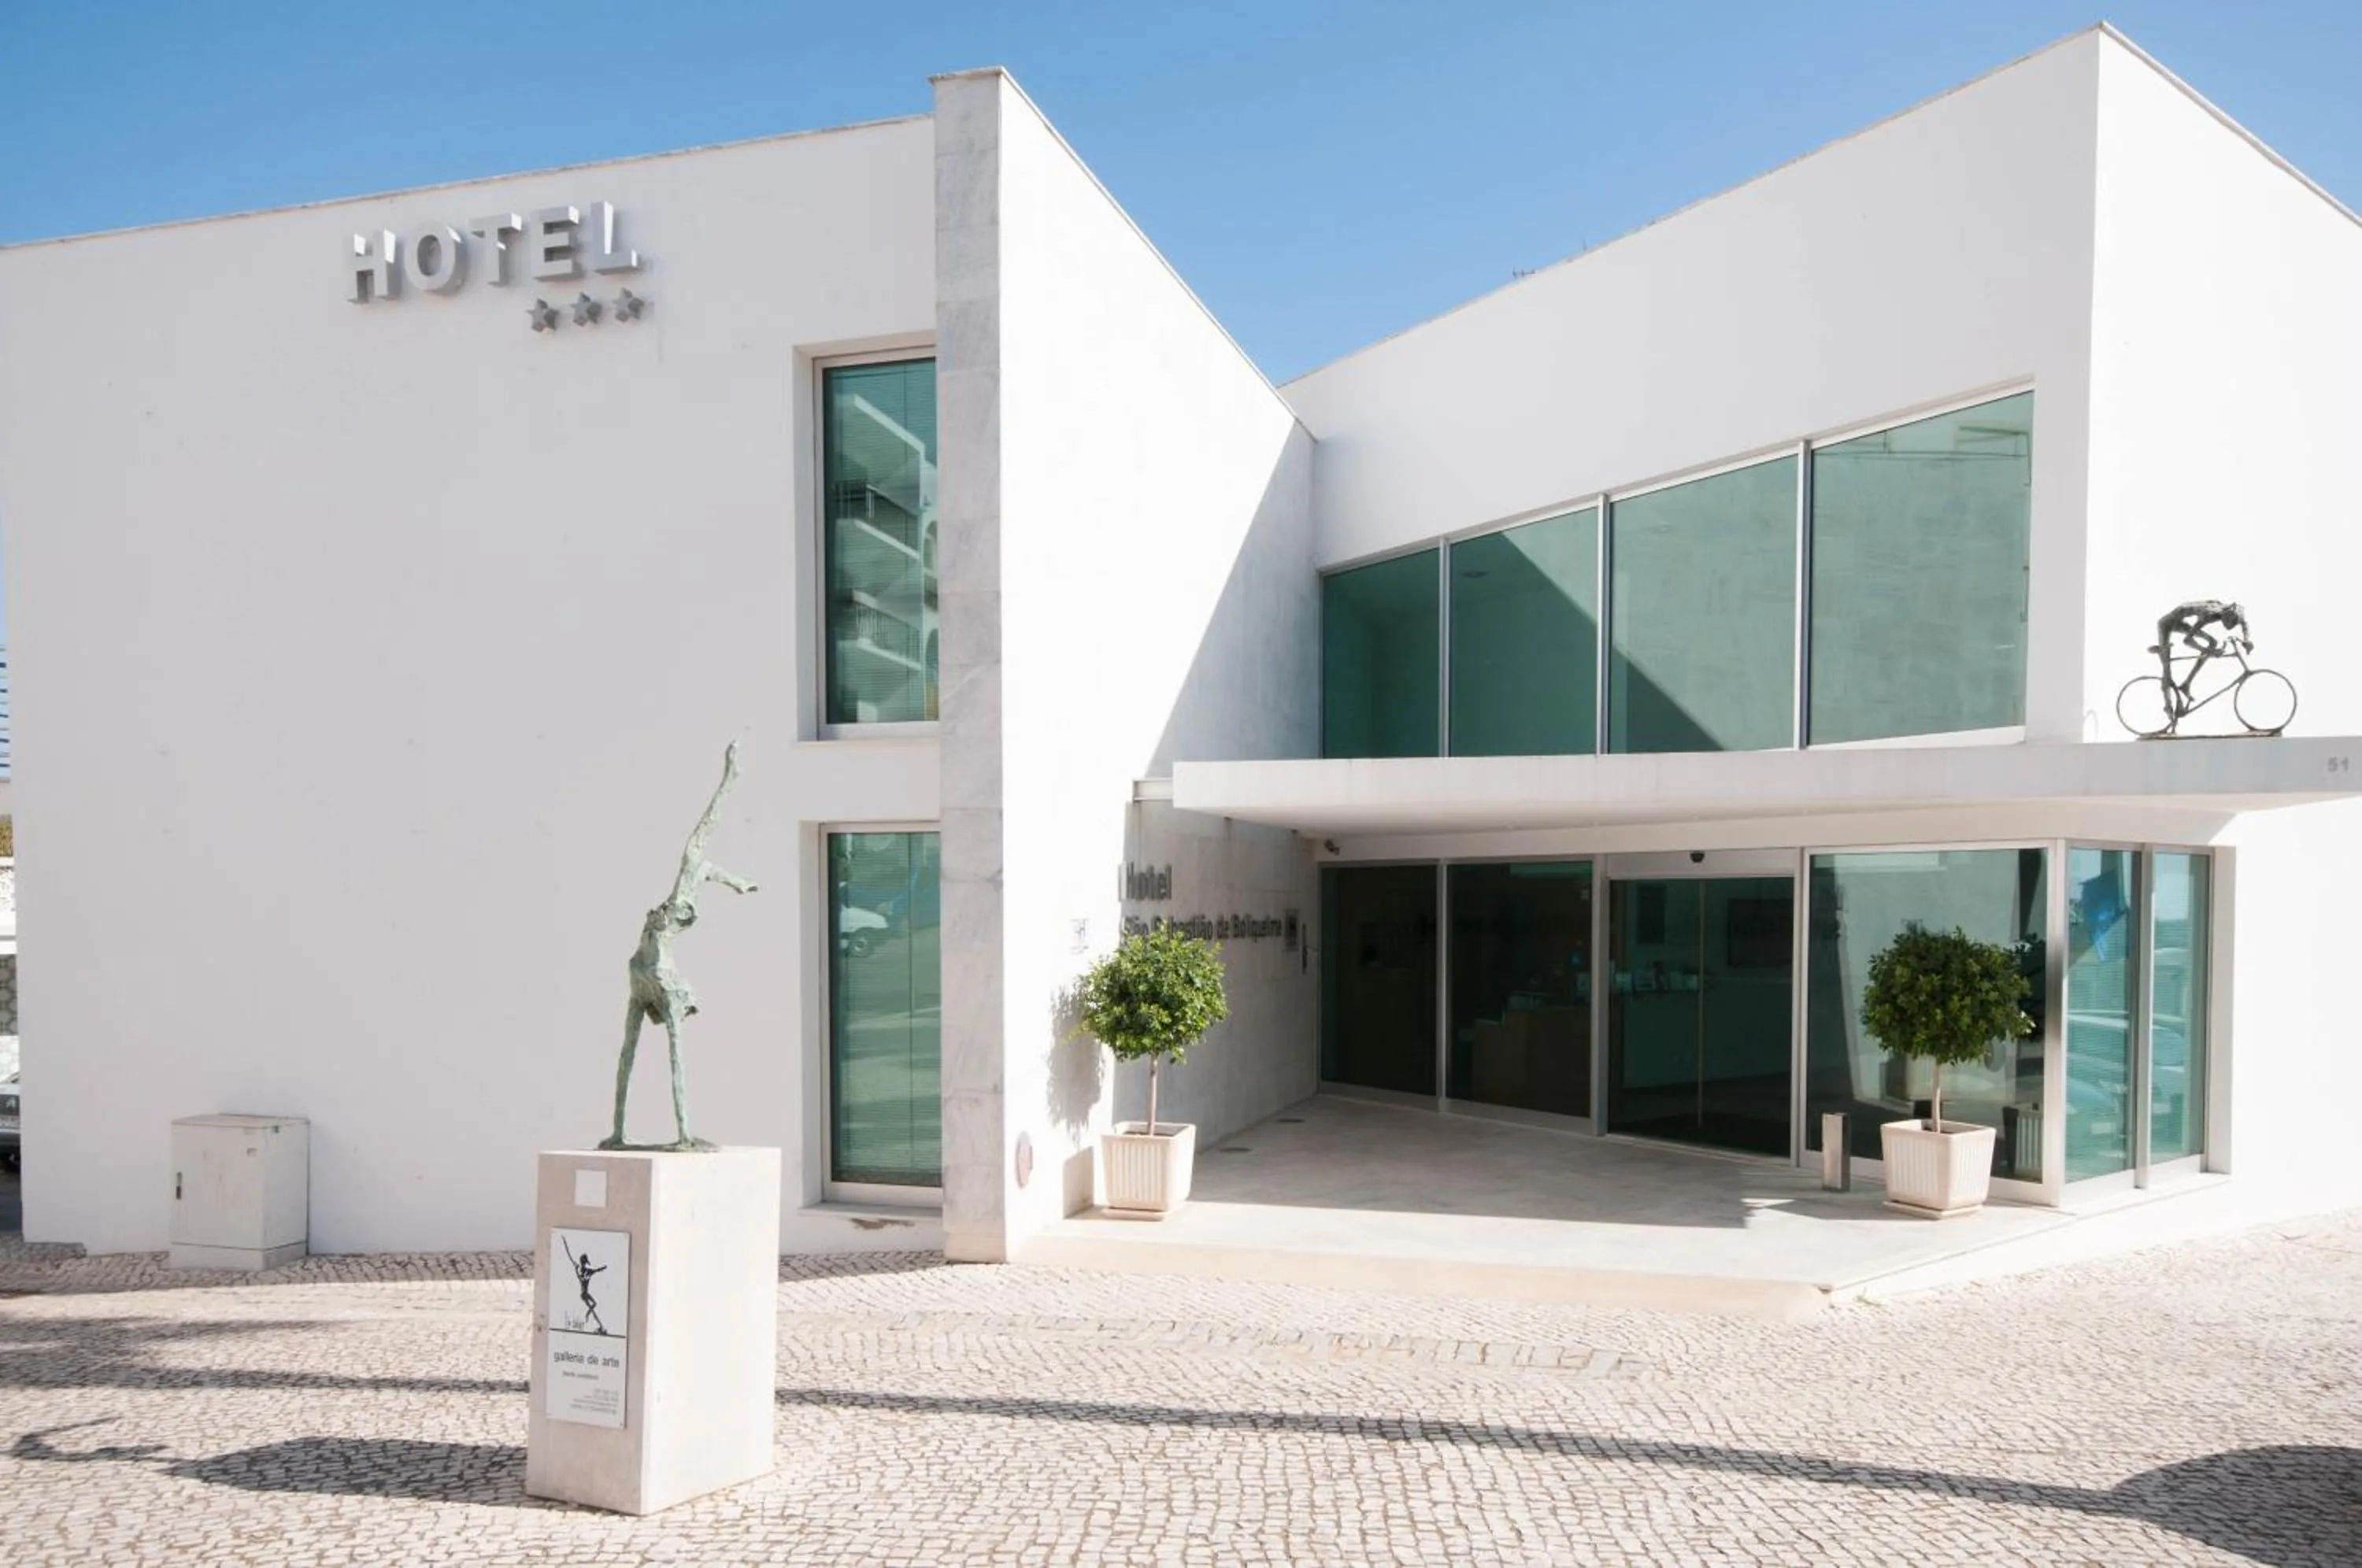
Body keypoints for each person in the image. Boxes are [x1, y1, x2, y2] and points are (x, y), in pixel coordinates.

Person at [2154, 601, 2250, 722]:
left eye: (2233, 624)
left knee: (2213, 643)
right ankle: (2168, 706)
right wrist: (2211, 653)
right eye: (2229, 622)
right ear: (2227, 615)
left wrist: (2247, 640)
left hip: (2179, 622)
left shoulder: (2230, 611)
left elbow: (2244, 623)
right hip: (2166, 624)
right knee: (2167, 670)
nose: (2230, 626)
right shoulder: (2208, 615)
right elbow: (2187, 640)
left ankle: (2186, 684)